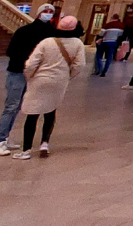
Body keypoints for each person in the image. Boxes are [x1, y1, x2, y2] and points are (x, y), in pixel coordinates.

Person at [12, 15, 84, 159]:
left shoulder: (47, 42)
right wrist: (67, 75)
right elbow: (79, 65)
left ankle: (26, 150)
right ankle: (44, 142)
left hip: (41, 79)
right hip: (59, 81)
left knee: (32, 114)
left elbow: (31, 63)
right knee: (50, 111)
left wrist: (29, 76)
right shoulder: (77, 43)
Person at [0, 4, 58, 155]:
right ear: (39, 13)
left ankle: (6, 138)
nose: (48, 14)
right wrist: (28, 64)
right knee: (12, 106)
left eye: (51, 12)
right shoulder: (24, 31)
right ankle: (0, 141)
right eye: (45, 11)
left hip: (37, 76)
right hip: (18, 72)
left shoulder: (52, 34)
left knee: (27, 107)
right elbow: (11, 51)